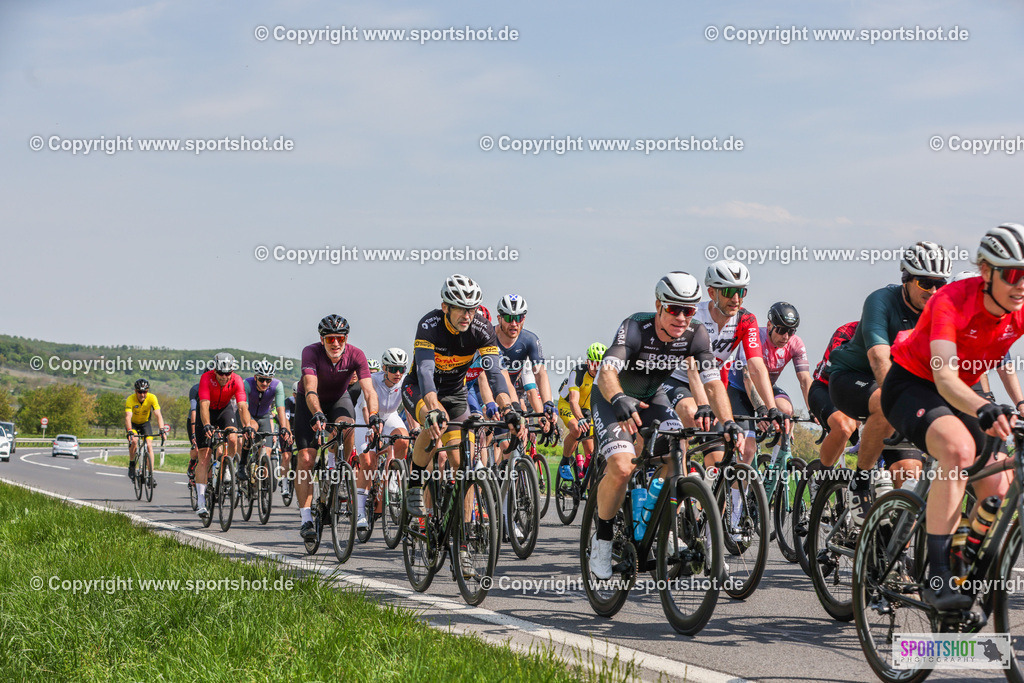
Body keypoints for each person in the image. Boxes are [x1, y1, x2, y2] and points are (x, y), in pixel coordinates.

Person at [883, 224, 1024, 610]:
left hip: (966, 390)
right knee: (958, 449)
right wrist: (983, 407)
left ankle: (963, 554)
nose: (1020, 285)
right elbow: (944, 376)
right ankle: (938, 574)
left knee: (999, 484)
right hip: (913, 383)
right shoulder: (951, 299)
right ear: (986, 271)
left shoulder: (1019, 306)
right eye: (1013, 274)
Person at [589, 272, 741, 579]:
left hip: (651, 397)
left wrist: (728, 422)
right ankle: (602, 539)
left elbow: (712, 383)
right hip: (612, 398)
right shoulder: (635, 327)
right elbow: (607, 371)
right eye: (674, 309)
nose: (682, 318)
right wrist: (618, 397)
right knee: (622, 468)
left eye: (689, 310)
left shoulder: (696, 334)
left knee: (676, 451)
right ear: (658, 305)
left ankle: (661, 523)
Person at [402, 274, 526, 576]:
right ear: (446, 306)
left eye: (471, 309)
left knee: (464, 467)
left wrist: (509, 409)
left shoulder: (482, 329)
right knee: (432, 425)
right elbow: (425, 371)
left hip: (456, 395)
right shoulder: (429, 325)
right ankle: (416, 483)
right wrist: (433, 408)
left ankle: (464, 543)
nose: (467, 315)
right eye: (461, 308)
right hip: (420, 389)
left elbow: (495, 374)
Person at [828, 241, 952, 520]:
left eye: (939, 284)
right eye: (925, 283)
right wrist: (902, 404)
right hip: (853, 377)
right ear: (906, 278)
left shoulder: (940, 311)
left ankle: (891, 540)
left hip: (903, 387)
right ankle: (860, 482)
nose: (933, 291)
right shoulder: (881, 300)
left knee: (909, 482)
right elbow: (879, 358)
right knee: (885, 404)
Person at [662, 260, 788, 469]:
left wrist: (771, 408)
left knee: (719, 460)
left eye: (741, 291)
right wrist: (703, 405)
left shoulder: (745, 320)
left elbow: (756, 366)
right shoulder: (694, 316)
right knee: (691, 414)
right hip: (677, 379)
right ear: (712, 293)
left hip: (711, 383)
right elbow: (692, 367)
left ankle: (702, 487)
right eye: (729, 291)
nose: (736, 299)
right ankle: (677, 478)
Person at [293, 315, 378, 541]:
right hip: (310, 401)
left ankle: (337, 469)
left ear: (346, 338)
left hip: (339, 399)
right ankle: (306, 519)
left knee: (347, 427)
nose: (335, 343)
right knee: (306, 459)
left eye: (340, 338)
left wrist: (374, 415)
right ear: (322, 339)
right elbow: (310, 388)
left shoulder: (356, 354)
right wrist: (317, 412)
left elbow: (369, 390)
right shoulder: (310, 352)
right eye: (330, 339)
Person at [351, 348, 412, 530]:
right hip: (366, 418)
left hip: (389, 416)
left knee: (403, 440)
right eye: (393, 369)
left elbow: (409, 407)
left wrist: (416, 427)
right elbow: (365, 406)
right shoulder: (373, 380)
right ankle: (360, 513)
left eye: (401, 369)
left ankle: (392, 477)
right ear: (384, 368)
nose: (398, 373)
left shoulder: (405, 381)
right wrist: (371, 426)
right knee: (368, 463)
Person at [195, 353, 253, 520]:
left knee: (233, 438)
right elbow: (204, 404)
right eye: (221, 373)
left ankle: (227, 467)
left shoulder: (237, 380)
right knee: (204, 457)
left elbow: (242, 406)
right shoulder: (206, 378)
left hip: (224, 410)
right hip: (206, 412)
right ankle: (201, 502)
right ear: (215, 370)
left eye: (228, 373)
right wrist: (207, 424)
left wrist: (247, 426)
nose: (224, 377)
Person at [557, 342, 606, 475]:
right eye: (594, 363)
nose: (597, 367)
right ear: (588, 362)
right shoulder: (578, 372)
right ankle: (565, 462)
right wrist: (580, 419)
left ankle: (585, 476)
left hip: (588, 409)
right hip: (568, 404)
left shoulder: (605, 376)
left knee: (591, 453)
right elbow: (573, 401)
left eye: (600, 364)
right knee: (577, 429)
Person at [239, 360, 292, 482]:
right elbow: (244, 407)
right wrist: (247, 425)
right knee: (251, 431)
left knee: (267, 452)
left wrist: (284, 428)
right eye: (261, 379)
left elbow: (280, 409)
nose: (265, 383)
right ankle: (242, 464)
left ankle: (262, 481)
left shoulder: (277, 385)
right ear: (255, 377)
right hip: (248, 414)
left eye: (268, 380)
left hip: (264, 416)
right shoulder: (247, 383)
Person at [124, 378, 167, 485]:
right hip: (133, 424)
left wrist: (162, 430)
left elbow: (158, 414)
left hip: (145, 424)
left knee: (149, 446)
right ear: (135, 391)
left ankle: (151, 475)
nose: (142, 394)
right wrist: (129, 431)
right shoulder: (130, 399)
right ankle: (132, 464)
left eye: (145, 392)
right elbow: (128, 417)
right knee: (134, 441)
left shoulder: (152, 398)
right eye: (140, 392)